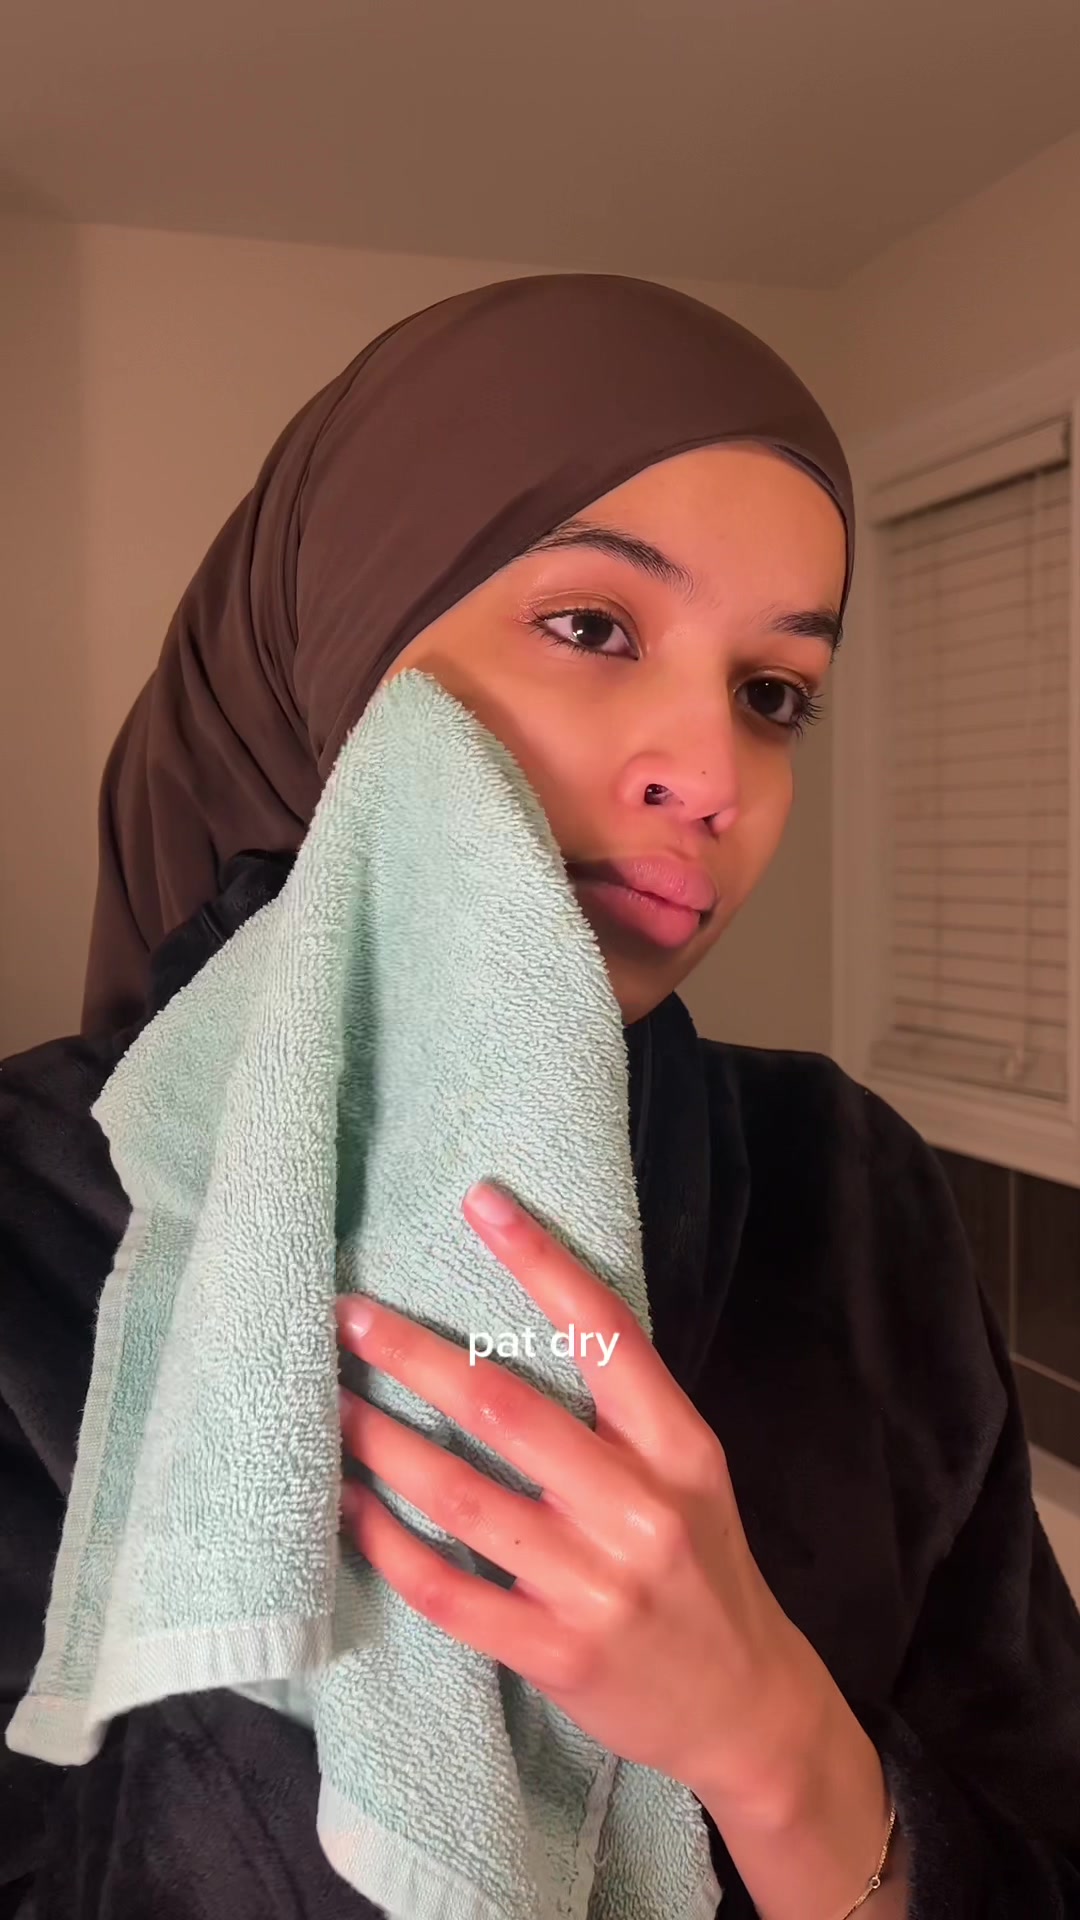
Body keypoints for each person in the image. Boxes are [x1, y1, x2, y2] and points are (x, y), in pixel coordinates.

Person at [2, 273, 1078, 1920]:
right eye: (593, 627)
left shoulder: (847, 1186)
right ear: (335, 655)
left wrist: (778, 1747)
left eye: (773, 694)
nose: (711, 779)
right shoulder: (28, 1211)